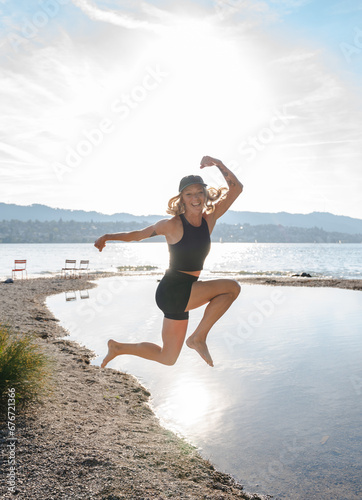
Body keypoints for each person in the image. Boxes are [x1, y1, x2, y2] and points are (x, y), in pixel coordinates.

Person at [94, 156, 243, 368]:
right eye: (189, 194)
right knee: (232, 288)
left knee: (168, 358)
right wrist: (108, 236)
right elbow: (137, 234)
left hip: (181, 294)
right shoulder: (171, 225)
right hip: (174, 290)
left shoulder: (210, 218)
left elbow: (236, 189)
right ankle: (198, 338)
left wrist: (218, 163)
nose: (195, 198)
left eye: (199, 192)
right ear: (181, 198)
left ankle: (118, 348)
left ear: (205, 195)